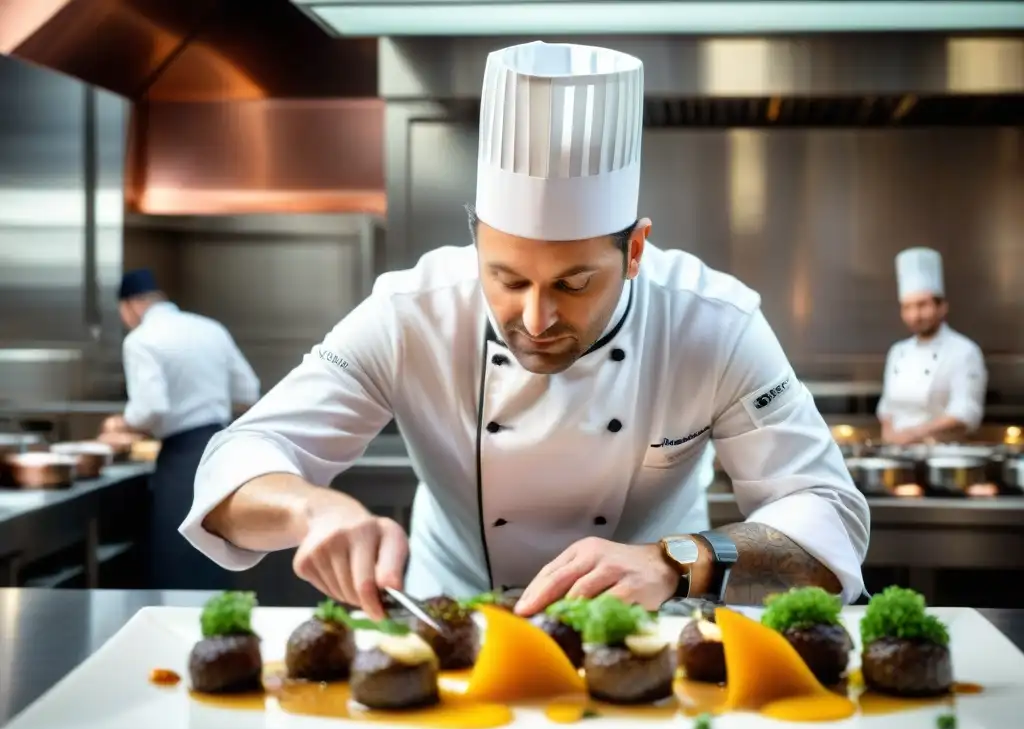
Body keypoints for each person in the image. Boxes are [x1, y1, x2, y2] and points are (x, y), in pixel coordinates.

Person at [180, 41, 870, 620]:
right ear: (475, 240)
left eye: (573, 284)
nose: (535, 319)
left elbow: (830, 517)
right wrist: (310, 511)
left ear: (634, 252)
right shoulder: (411, 313)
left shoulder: (712, 324)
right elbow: (238, 459)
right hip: (449, 623)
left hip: (650, 636)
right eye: (507, 278)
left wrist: (678, 560)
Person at [105, 268, 261, 589]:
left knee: (179, 558)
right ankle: (222, 631)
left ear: (131, 305)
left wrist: (121, 424)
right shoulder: (210, 328)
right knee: (216, 549)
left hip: (181, 456)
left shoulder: (140, 341)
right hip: (224, 452)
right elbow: (248, 391)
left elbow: (151, 408)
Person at [877, 247, 987, 446]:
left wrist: (914, 434)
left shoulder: (964, 351)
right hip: (897, 455)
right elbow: (886, 408)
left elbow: (966, 413)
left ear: (942, 306)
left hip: (944, 457)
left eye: (922, 305)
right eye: (907, 307)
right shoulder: (897, 351)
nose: (915, 315)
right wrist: (890, 439)